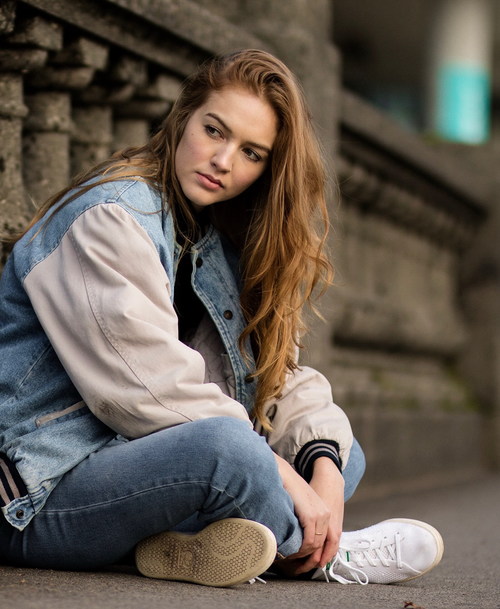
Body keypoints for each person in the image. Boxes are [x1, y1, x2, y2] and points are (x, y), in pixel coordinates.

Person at [0, 49, 443, 587]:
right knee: (231, 453)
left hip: (127, 469)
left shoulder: (218, 241)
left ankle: (184, 548)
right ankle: (329, 555)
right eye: (215, 130)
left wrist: (317, 471)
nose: (224, 160)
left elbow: (279, 382)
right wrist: (285, 483)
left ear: (266, 170)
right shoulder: (110, 218)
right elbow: (150, 394)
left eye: (251, 153)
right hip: (36, 491)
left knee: (337, 457)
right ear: (182, 117)